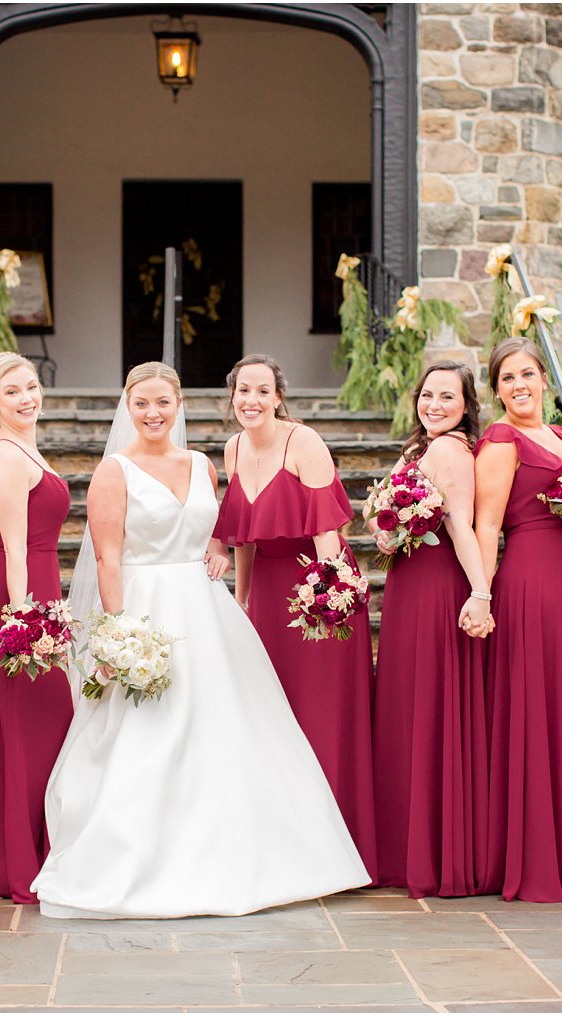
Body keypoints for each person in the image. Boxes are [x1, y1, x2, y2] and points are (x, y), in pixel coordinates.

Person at [32, 363, 369, 918]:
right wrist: (120, 633)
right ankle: (136, 857)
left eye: (163, 402)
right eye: (141, 403)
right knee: (150, 734)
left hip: (205, 607)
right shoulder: (114, 472)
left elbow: (220, 527)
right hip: (145, 610)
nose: (153, 413)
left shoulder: (203, 462)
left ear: (180, 404)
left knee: (230, 727)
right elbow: (108, 557)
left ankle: (247, 853)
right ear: (128, 406)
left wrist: (215, 548)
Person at [212, 354, 378, 876]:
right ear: (233, 397)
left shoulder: (303, 442)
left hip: (316, 587)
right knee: (271, 714)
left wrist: (327, 597)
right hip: (266, 589)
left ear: (279, 396)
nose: (252, 401)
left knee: (318, 712)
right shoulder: (233, 447)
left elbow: (328, 532)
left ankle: (333, 848)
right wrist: (242, 601)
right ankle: (281, 842)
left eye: (263, 390)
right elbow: (242, 535)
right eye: (243, 391)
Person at [473, 338, 562, 902]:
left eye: (527, 374)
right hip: (530, 583)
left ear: (544, 380)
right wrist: (481, 594)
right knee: (537, 707)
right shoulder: (500, 442)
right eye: (507, 378)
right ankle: (534, 855)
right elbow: (488, 526)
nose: (519, 385)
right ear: (497, 390)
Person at [370, 360, 493, 899]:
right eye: (427, 394)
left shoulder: (449, 450)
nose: (434, 404)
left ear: (467, 405)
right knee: (409, 706)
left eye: (448, 396)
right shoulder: (417, 449)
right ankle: (414, 846)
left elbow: (460, 524)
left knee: (428, 707)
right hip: (407, 584)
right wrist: (386, 531)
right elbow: (388, 521)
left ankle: (428, 852)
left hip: (435, 588)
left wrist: (481, 591)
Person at [0, 354, 72, 903]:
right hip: (13, 595)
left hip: (35, 590)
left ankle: (38, 847)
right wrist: (24, 617)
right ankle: (11, 859)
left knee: (39, 725)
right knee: (23, 724)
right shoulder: (2, 456)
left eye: (31, 386)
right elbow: (15, 548)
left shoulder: (25, 446)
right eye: (12, 392)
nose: (27, 398)